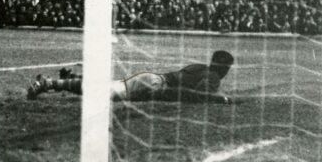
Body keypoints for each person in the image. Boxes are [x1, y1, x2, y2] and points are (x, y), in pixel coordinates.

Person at [27, 50, 238, 104]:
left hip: (153, 78)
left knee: (110, 87)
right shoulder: (213, 77)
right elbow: (199, 94)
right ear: (224, 67)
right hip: (155, 84)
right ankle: (48, 83)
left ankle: (73, 77)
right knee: (106, 92)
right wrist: (222, 99)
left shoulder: (200, 67)